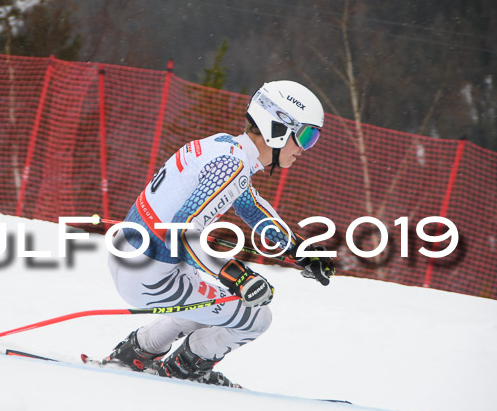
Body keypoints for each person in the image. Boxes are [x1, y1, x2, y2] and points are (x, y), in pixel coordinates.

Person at [104, 80, 336, 387]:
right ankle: (182, 371)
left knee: (213, 304)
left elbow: (250, 206)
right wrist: (237, 275)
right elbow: (184, 231)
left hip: (131, 257)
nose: (305, 149)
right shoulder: (232, 165)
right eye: (306, 136)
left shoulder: (225, 147)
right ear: (277, 127)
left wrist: (297, 250)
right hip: (152, 274)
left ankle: (137, 352)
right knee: (257, 318)